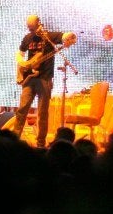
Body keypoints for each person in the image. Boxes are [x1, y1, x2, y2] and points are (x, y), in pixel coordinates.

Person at [13, 15, 77, 148]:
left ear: (39, 24)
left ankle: (40, 143)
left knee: (42, 113)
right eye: (29, 28)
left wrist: (70, 36)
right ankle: (14, 139)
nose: (31, 31)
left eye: (33, 28)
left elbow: (64, 36)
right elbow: (20, 54)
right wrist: (22, 65)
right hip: (29, 79)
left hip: (45, 79)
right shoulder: (27, 38)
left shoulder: (49, 37)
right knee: (22, 109)